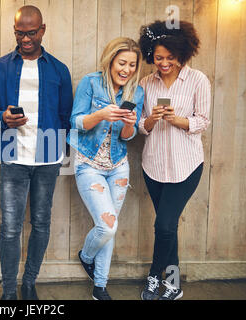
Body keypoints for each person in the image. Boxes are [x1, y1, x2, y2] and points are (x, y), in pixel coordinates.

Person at [0, 5, 73, 300]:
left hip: (49, 157)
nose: (25, 39)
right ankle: (9, 290)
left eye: (31, 33)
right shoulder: (0, 67)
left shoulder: (59, 69)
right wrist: (2, 117)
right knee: (10, 228)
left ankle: (29, 282)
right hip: (13, 156)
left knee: (41, 223)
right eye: (19, 33)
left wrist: (63, 152)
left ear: (42, 30)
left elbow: (65, 115)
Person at [137, 20, 211, 300]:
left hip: (186, 165)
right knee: (168, 228)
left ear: (182, 54)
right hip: (153, 165)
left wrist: (178, 120)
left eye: (170, 57)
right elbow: (141, 127)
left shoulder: (198, 80)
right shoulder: (145, 83)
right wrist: (152, 120)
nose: (164, 63)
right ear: (151, 55)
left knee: (164, 226)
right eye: (158, 58)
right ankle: (174, 284)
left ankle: (155, 277)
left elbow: (202, 121)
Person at [67, 37, 144, 300]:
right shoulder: (91, 82)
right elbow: (75, 122)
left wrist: (129, 123)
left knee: (111, 223)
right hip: (89, 164)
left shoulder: (137, 92)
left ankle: (100, 285)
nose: (127, 70)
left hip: (119, 166)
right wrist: (101, 114)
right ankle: (86, 256)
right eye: (122, 63)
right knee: (107, 226)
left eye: (132, 65)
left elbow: (127, 137)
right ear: (110, 61)